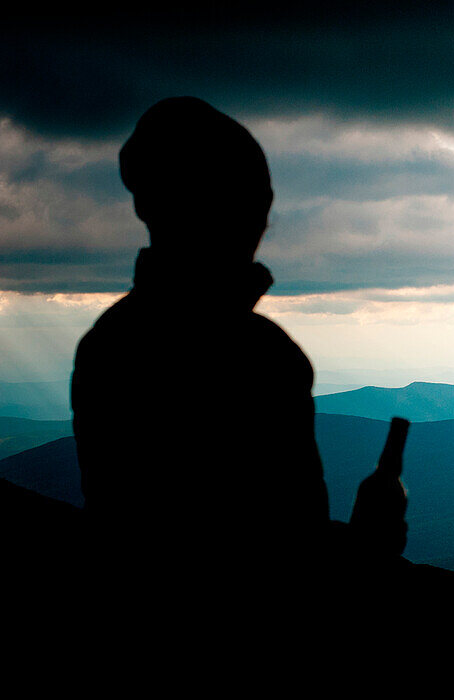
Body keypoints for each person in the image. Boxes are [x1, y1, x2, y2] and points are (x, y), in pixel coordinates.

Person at [71, 97, 331, 564]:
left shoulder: (111, 343)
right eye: (253, 201)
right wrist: (373, 545)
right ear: (212, 207)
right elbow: (287, 543)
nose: (263, 224)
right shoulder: (262, 356)